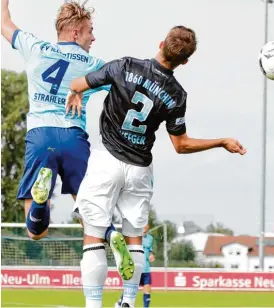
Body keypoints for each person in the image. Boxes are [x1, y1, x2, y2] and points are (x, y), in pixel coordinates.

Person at [66, 25, 247, 308]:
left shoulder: (124, 66)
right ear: (185, 61)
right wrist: (221, 141)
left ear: (160, 43)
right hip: (140, 169)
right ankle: (127, 302)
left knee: (93, 235)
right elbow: (181, 145)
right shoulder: (177, 96)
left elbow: (78, 84)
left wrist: (76, 92)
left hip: (107, 160)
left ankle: (93, 304)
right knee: (135, 239)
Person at [1, 0, 108, 241]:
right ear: (75, 32)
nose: (93, 37)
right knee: (91, 220)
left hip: (40, 136)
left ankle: (40, 204)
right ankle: (113, 235)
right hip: (73, 136)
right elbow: (123, 83)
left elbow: (4, 22)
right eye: (89, 30)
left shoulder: (36, 48)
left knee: (35, 232)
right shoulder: (92, 65)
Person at [115, 224, 154, 308]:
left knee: (147, 289)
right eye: (143, 229)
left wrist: (151, 255)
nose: (144, 231)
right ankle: (120, 302)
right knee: (131, 288)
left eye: (146, 230)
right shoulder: (134, 237)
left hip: (146, 269)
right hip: (135, 267)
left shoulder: (150, 238)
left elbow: (150, 250)